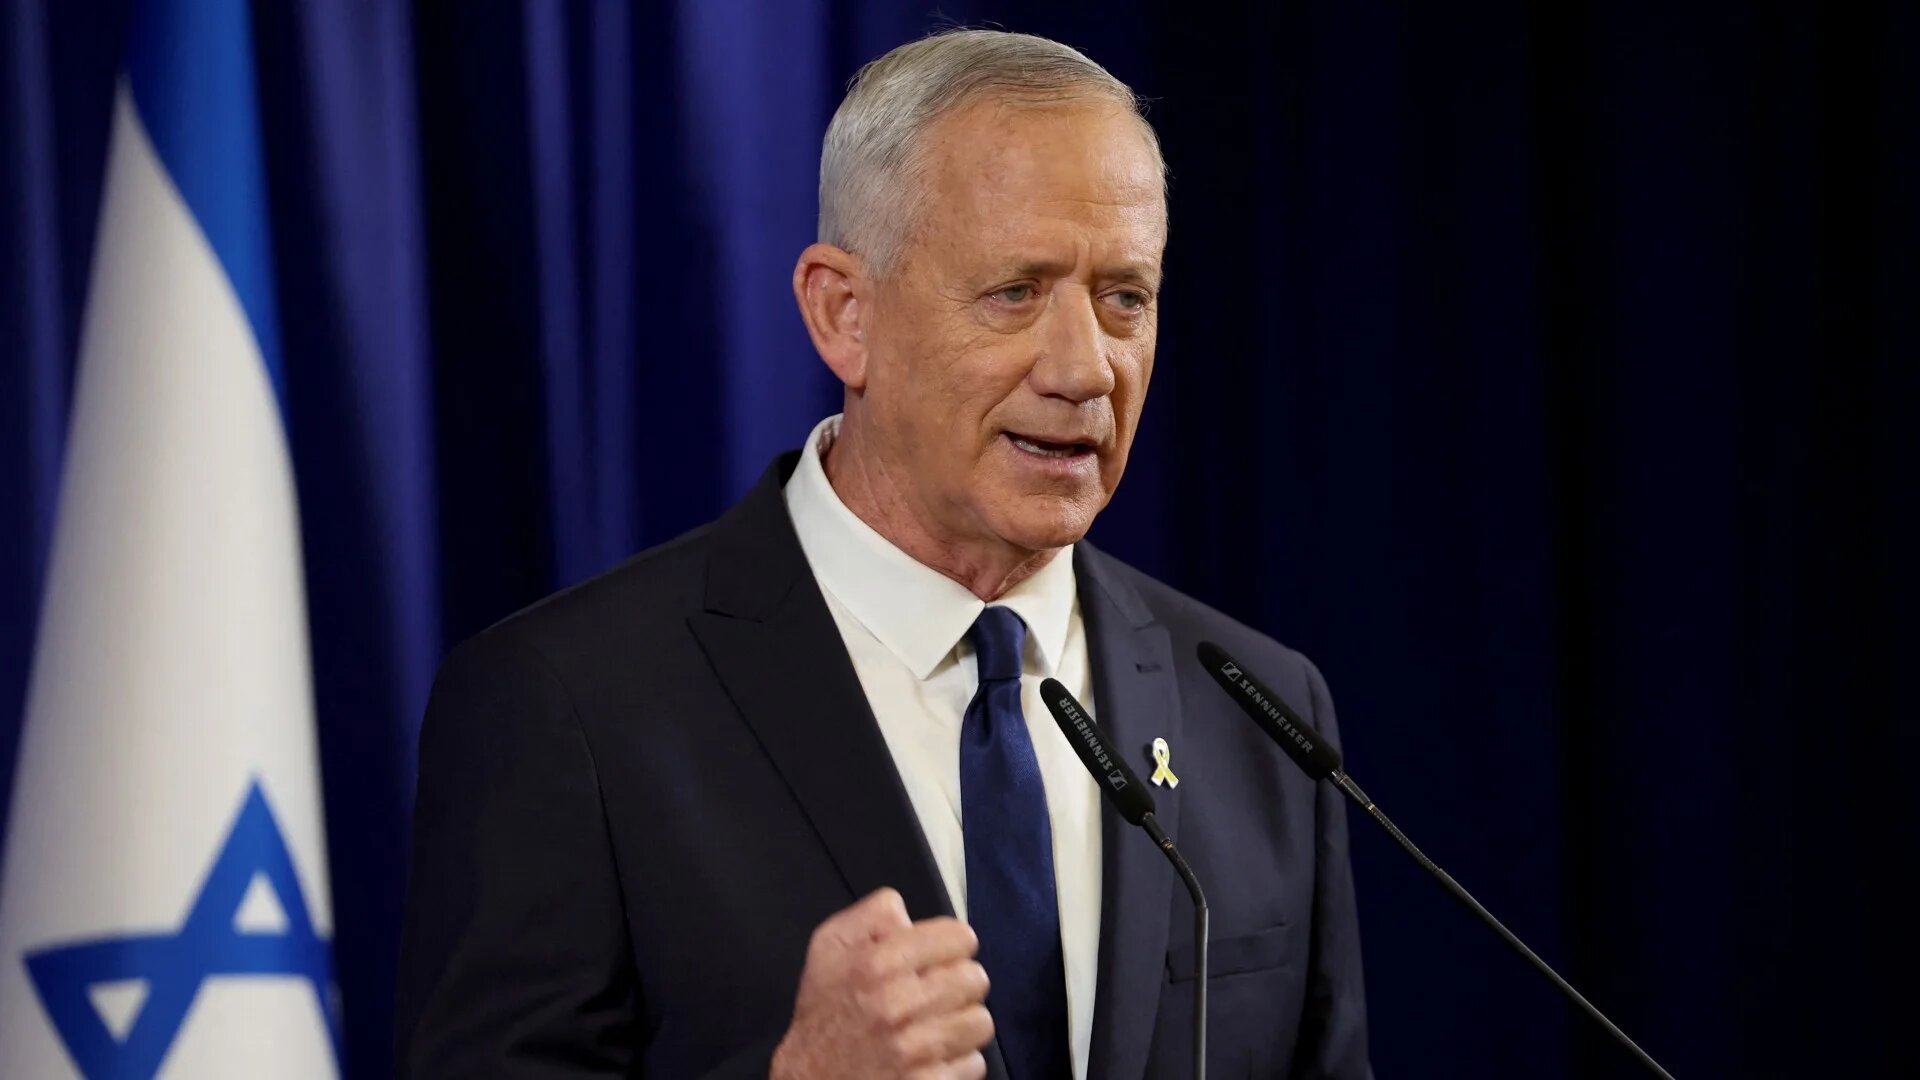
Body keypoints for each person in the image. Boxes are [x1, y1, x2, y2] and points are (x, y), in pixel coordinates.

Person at [395, 29, 1371, 1080]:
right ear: (842, 314)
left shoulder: (1260, 712)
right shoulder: (569, 706)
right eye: (1016, 291)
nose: (1086, 366)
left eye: (1124, 297)